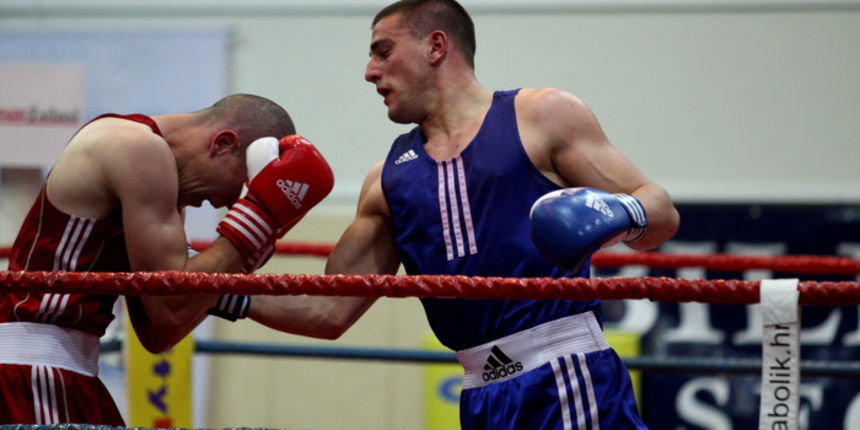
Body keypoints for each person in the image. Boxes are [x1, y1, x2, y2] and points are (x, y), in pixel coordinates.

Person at [319, 1, 681, 429]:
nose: (370, 71)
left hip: (562, 375)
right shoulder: (387, 179)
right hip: (478, 392)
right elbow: (326, 310)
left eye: (383, 51)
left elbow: (660, 211)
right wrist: (240, 256)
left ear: (436, 46)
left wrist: (619, 211)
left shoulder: (539, 116)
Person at [0, 94, 335, 425]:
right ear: (223, 144)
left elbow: (158, 333)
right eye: (236, 190)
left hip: (65, 371)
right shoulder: (136, 148)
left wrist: (247, 251)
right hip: (33, 368)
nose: (224, 203)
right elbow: (171, 307)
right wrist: (256, 224)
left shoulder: (164, 187)